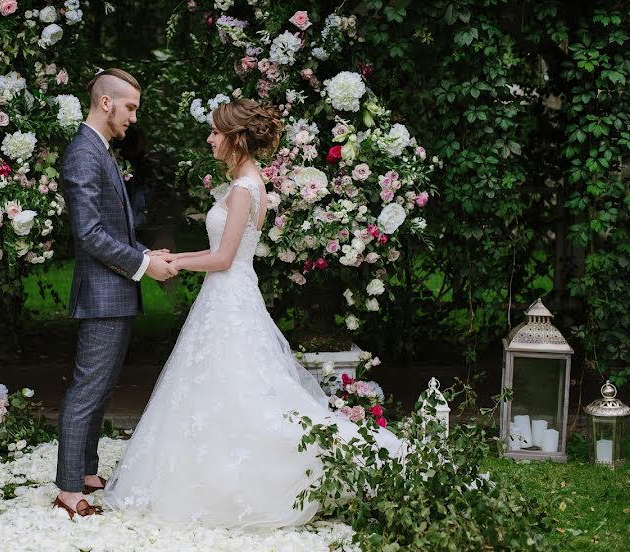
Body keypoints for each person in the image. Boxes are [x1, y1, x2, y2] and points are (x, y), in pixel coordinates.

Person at [103, 99, 405, 528]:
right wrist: (168, 255)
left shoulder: (245, 189)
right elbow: (221, 250)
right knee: (224, 385)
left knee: (237, 386)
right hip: (226, 296)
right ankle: (215, 468)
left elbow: (225, 258)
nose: (209, 138)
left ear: (235, 138)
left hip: (229, 296)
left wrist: (172, 266)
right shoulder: (243, 183)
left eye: (215, 132)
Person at [54, 68, 177, 519]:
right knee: (88, 388)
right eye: (130, 108)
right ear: (106, 103)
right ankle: (69, 489)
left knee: (101, 386)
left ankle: (85, 470)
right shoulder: (83, 154)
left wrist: (146, 251)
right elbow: (88, 232)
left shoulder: (100, 150)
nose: (133, 117)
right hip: (104, 293)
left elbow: (113, 228)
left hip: (115, 289)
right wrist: (144, 266)